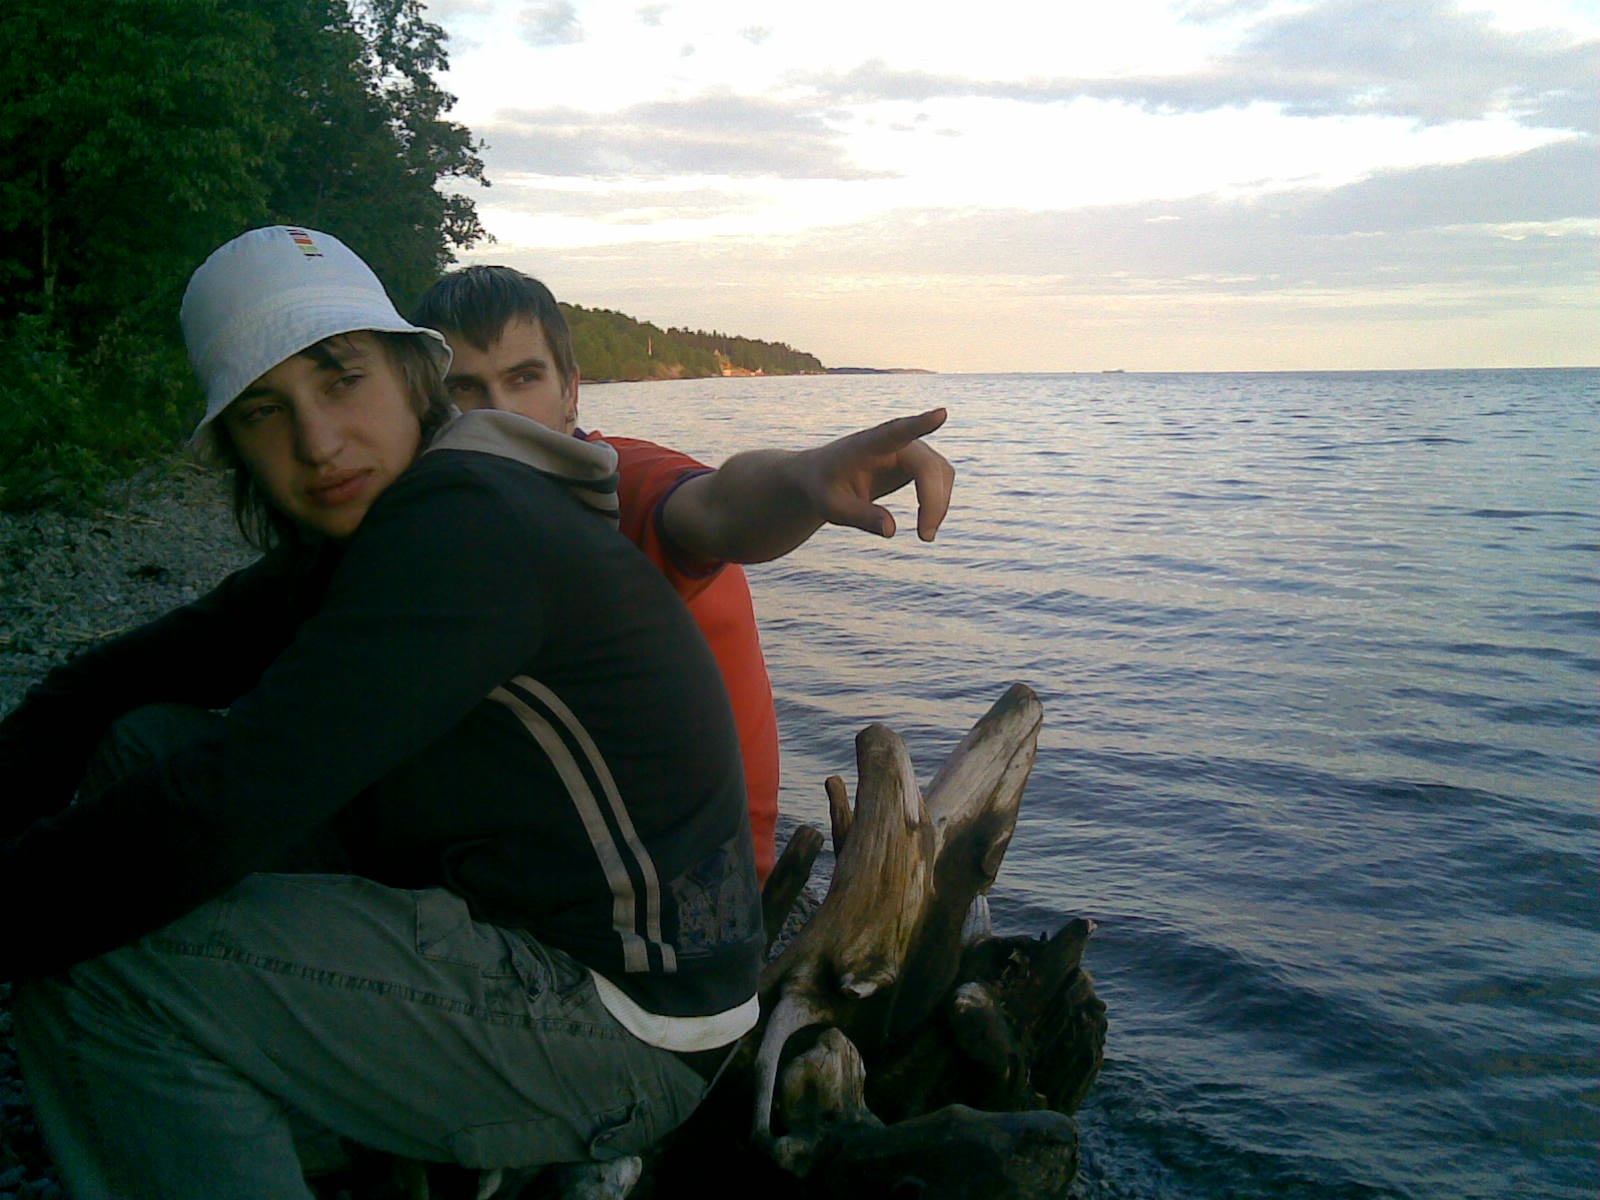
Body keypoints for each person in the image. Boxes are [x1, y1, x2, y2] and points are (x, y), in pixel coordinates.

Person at [0, 225, 767, 1198]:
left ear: (414, 376)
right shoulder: (376, 531)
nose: (317, 443)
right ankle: (249, 1093)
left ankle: (242, 1083)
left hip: (627, 1027)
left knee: (100, 971)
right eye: (264, 411)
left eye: (341, 380)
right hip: (491, 914)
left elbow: (225, 806)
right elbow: (114, 681)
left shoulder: (468, 527)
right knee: (140, 742)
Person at [410, 267, 955, 884]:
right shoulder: (454, 514)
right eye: (465, 389)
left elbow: (718, 508)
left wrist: (807, 477)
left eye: (524, 379)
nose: (500, 412)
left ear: (571, 392)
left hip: (693, 882)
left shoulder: (617, 485)